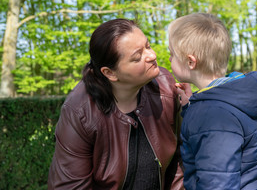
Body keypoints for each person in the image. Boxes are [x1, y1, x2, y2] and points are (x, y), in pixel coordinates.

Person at [48, 19, 184, 190]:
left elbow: (181, 157)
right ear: (110, 73)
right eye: (137, 57)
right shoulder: (79, 111)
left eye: (148, 46)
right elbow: (69, 186)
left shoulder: (165, 87)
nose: (152, 56)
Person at [168, 13, 257, 190]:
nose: (170, 59)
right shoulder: (230, 96)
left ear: (190, 61)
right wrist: (191, 107)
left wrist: (199, 111)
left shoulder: (212, 116)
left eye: (171, 54)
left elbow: (218, 182)